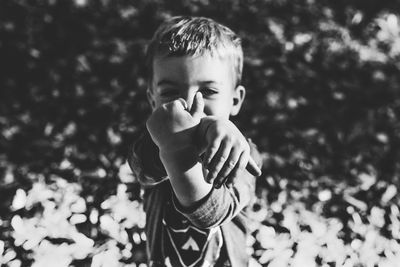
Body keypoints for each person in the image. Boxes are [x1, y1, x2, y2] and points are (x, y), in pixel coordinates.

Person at [128, 16, 263, 267]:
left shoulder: (240, 154)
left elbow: (212, 214)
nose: (190, 104)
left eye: (209, 91)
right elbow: (143, 170)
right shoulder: (156, 143)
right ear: (152, 99)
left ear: (235, 100)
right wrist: (170, 146)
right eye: (169, 92)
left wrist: (178, 154)